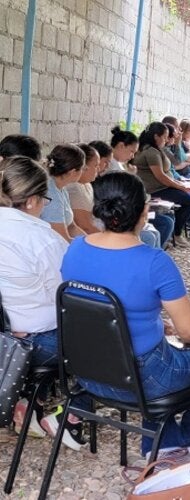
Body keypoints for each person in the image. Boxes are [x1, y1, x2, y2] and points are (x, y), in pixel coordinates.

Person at [60, 172, 190, 457]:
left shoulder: (74, 250)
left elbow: (101, 309)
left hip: (86, 373)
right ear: (143, 210)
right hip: (143, 377)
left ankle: (164, 448)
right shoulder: (155, 261)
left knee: (166, 361)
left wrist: (154, 323)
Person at [0, 156, 79, 447]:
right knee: (108, 338)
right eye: (45, 199)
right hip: (34, 342)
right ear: (32, 200)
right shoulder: (40, 239)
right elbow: (67, 299)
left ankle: (29, 401)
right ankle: (72, 413)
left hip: (7, 339)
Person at [132, 122, 190, 244]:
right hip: (156, 189)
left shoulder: (156, 150)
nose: (166, 140)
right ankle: (177, 232)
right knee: (189, 200)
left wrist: (179, 184)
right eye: (164, 137)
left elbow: (169, 171)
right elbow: (160, 176)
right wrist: (179, 186)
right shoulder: (151, 152)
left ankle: (176, 231)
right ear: (156, 137)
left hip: (164, 186)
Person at [40, 144, 86, 243]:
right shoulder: (51, 193)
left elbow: (72, 227)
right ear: (73, 172)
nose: (83, 172)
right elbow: (62, 239)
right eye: (82, 168)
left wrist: (90, 241)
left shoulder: (61, 188)